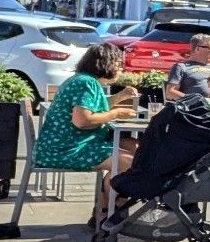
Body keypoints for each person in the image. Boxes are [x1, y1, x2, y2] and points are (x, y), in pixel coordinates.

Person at [36, 43, 139, 219]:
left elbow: (92, 106)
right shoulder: (85, 83)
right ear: (106, 63)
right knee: (129, 163)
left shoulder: (84, 80)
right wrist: (115, 114)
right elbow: (82, 121)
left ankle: (104, 206)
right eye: (118, 64)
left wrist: (121, 96)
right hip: (65, 149)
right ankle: (108, 213)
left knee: (136, 148)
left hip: (70, 143)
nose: (121, 69)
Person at [165, 30, 210, 101]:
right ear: (197, 48)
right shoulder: (181, 67)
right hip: (194, 108)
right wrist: (195, 101)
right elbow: (170, 92)